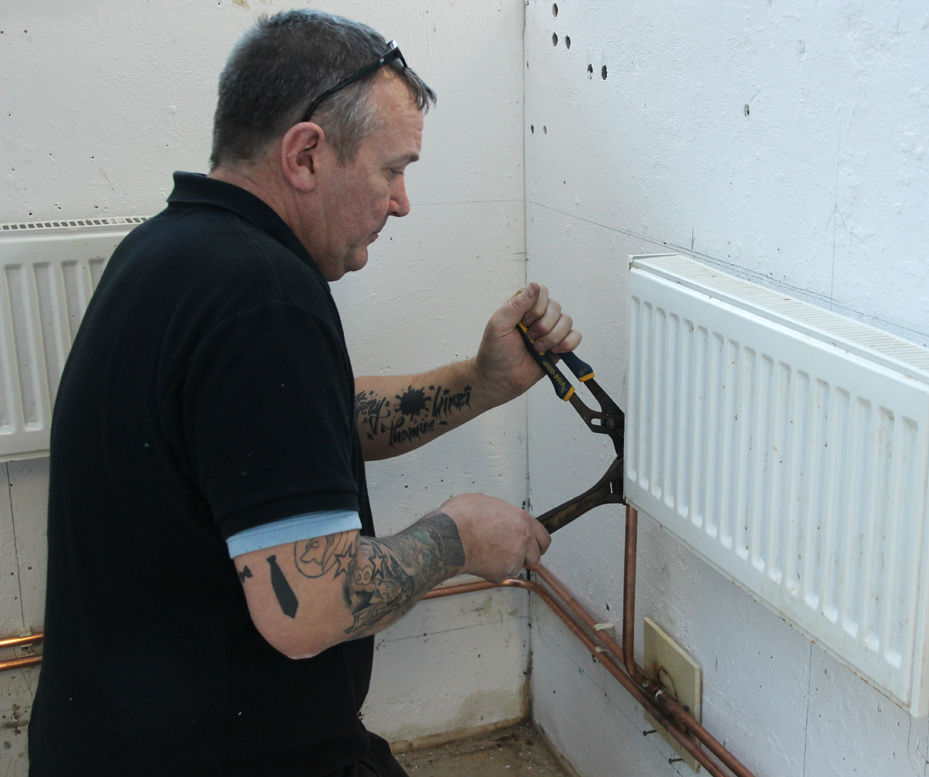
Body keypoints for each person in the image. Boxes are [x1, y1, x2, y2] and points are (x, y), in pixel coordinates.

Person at [28, 10, 576, 776]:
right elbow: (309, 609)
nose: (402, 201)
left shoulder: (169, 251)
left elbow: (286, 436)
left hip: (109, 739)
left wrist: (479, 382)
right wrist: (459, 536)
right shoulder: (265, 296)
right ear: (306, 154)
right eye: (392, 169)